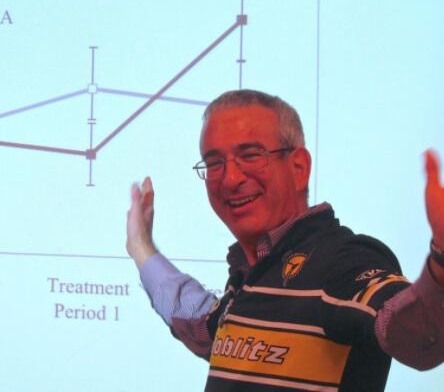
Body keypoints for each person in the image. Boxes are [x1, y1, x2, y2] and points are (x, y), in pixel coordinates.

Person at [126, 89, 444, 391]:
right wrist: (140, 246)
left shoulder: (343, 260)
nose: (230, 179)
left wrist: (441, 259)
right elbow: (197, 321)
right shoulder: (253, 275)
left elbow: (419, 339)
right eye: (214, 163)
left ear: (299, 167)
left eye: (251, 155)